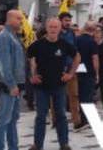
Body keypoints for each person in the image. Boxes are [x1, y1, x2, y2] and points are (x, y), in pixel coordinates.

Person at [28, 18, 80, 150]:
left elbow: (77, 56)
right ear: (46, 28)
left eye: (55, 27)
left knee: (61, 115)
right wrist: (32, 74)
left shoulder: (64, 44)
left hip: (59, 85)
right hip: (41, 86)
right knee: (41, 116)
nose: (53, 29)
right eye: (50, 26)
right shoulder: (37, 44)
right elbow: (30, 58)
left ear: (59, 28)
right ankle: (37, 144)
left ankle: (64, 144)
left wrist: (70, 73)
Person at [0, 10, 25, 150]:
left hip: (17, 83)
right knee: (4, 119)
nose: (21, 21)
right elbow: (4, 62)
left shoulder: (14, 36)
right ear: (9, 19)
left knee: (13, 118)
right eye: (18, 18)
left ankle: (13, 146)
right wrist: (11, 84)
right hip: (9, 84)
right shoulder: (5, 36)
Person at [57, 12, 81, 128]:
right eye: (66, 20)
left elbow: (75, 50)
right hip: (58, 68)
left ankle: (76, 121)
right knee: (57, 96)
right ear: (60, 21)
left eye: (69, 20)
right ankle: (56, 120)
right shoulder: (56, 33)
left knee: (74, 95)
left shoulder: (71, 34)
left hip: (71, 68)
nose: (68, 23)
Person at [75, 22, 99, 131]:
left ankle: (82, 119)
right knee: (88, 97)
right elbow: (95, 59)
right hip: (89, 72)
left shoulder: (77, 40)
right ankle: (87, 120)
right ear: (93, 30)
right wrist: (97, 73)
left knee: (81, 96)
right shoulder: (92, 42)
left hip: (78, 71)